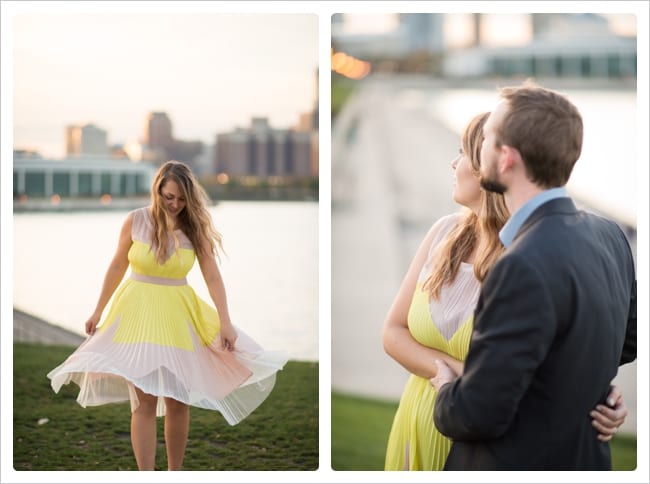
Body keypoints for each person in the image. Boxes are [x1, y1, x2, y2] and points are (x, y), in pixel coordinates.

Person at [382, 112, 629, 471]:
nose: (453, 164)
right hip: (422, 416)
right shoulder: (442, 233)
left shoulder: (527, 258)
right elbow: (393, 332)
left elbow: (589, 342)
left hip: (488, 439)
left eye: (463, 153)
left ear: (493, 164)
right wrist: (459, 373)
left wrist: (596, 393)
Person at [48, 160, 288, 471]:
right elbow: (117, 266)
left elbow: (213, 277)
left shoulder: (194, 229)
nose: (175, 204)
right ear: (157, 190)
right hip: (137, 316)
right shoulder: (135, 221)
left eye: (182, 198)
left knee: (178, 402)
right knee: (144, 403)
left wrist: (225, 322)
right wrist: (98, 309)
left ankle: (175, 474)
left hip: (178, 319)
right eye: (169, 196)